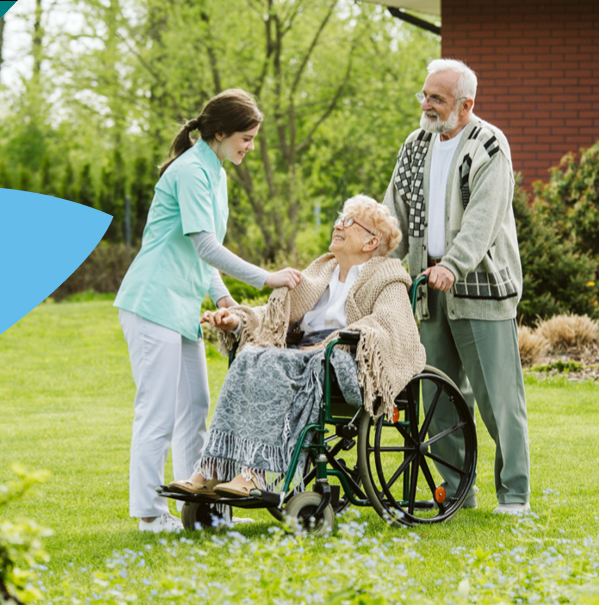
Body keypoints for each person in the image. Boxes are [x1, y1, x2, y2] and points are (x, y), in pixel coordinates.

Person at [113, 88, 304, 533]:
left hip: (180, 307)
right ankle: (148, 514)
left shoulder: (215, 171)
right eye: (246, 138)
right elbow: (205, 244)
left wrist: (221, 298)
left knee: (196, 406)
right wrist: (265, 277)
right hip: (151, 301)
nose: (250, 147)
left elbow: (202, 252)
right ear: (219, 133)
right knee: (157, 411)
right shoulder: (190, 171)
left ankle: (199, 508)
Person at [168, 195, 425, 497]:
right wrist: (236, 321)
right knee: (250, 356)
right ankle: (212, 467)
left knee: (275, 363)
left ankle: (255, 474)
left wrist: (331, 343)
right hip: (302, 353)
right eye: (339, 218)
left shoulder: (388, 277)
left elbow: (388, 324)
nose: (337, 225)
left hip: (342, 357)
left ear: (371, 242)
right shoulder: (321, 271)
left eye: (348, 222)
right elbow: (276, 316)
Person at [382, 58, 532, 515]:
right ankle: (455, 490)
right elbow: (395, 214)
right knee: (440, 396)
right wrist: (380, 263)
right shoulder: (415, 145)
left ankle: (514, 494)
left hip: (479, 287)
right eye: (424, 95)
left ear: (466, 105)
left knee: (498, 400)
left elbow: (482, 221)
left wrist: (454, 263)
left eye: (437, 99)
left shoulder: (489, 145)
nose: (426, 105)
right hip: (427, 288)